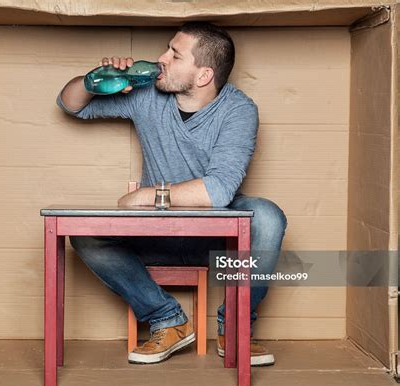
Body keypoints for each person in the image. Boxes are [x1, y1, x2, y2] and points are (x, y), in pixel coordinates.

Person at [56, 21, 287, 366]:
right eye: (167, 49)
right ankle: (168, 319)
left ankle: (235, 328)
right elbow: (70, 104)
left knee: (267, 216)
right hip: (157, 230)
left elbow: (219, 191)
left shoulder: (239, 111)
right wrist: (94, 78)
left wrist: (148, 195)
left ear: (204, 75)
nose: (160, 58)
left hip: (214, 236)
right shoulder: (147, 95)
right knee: (83, 232)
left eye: (174, 54)